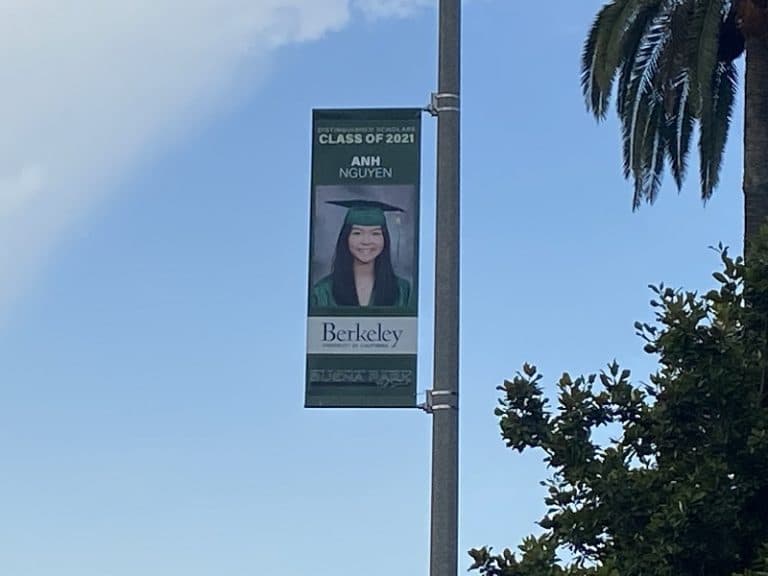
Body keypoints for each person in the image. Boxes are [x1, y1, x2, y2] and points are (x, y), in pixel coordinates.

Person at [311, 199, 412, 309]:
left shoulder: (403, 291)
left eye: (375, 233)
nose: (366, 241)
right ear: (346, 238)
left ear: (385, 239)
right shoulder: (322, 292)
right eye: (357, 233)